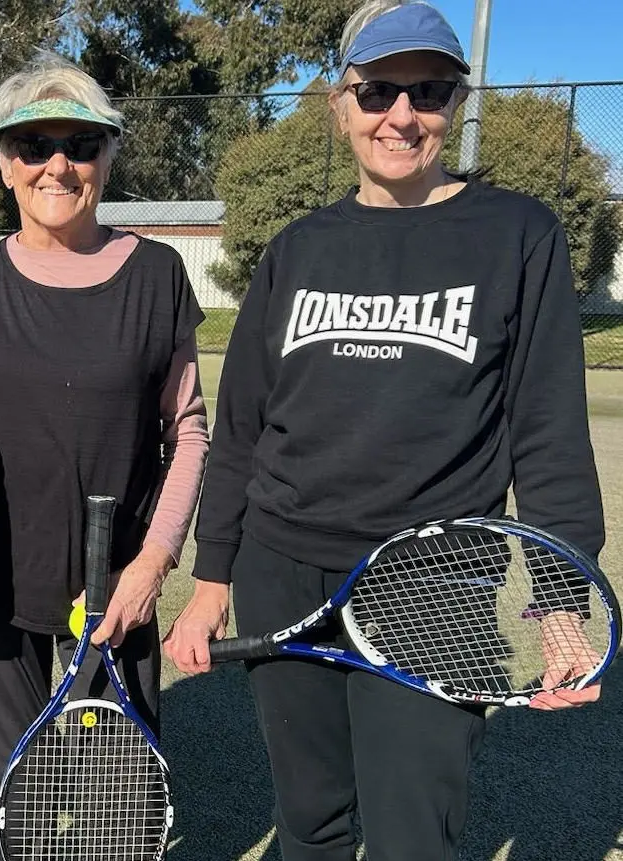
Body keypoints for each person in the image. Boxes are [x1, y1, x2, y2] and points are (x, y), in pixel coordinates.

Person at [162, 2, 606, 859]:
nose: (402, 115)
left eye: (428, 91)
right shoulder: (296, 248)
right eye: (377, 93)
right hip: (282, 568)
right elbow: (245, 426)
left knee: (414, 836)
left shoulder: (519, 235)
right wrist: (213, 575)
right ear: (341, 102)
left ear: (456, 101)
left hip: (433, 579)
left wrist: (558, 599)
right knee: (312, 819)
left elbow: (548, 429)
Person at [0, 52, 210, 861]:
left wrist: (154, 561)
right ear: (4, 162)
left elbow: (189, 430)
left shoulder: (157, 274)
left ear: (108, 156)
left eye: (81, 144)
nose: (58, 163)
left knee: (120, 821)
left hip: (118, 593)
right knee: (4, 813)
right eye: (33, 143)